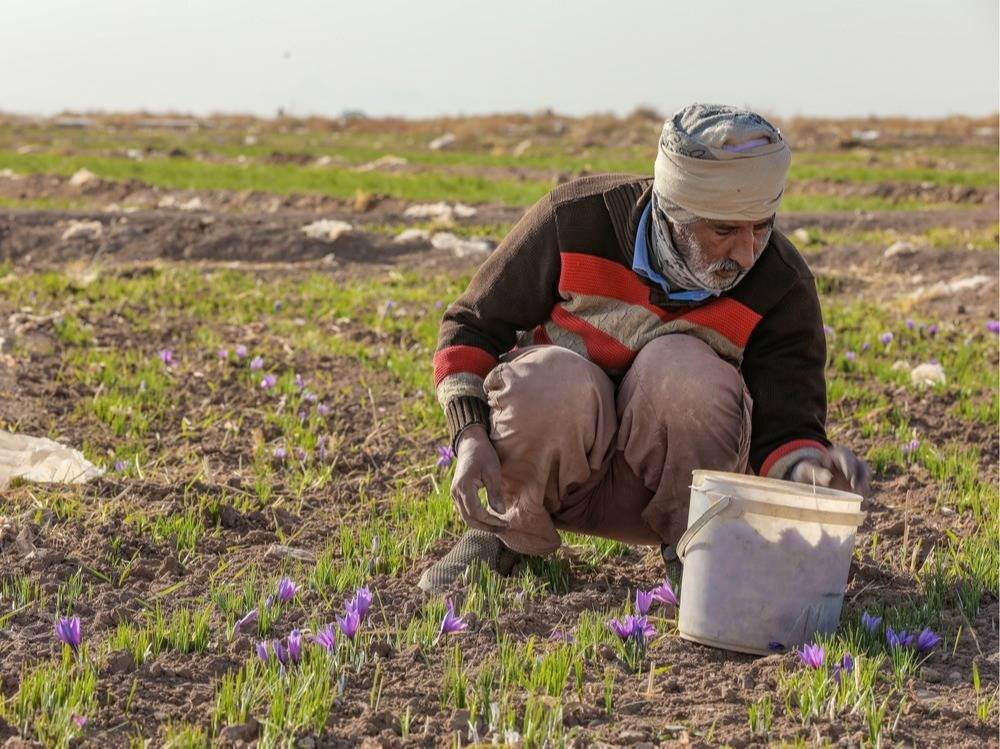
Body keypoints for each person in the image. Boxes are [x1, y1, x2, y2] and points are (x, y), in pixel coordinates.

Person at [418, 103, 871, 593]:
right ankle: (504, 537)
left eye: (761, 227)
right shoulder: (575, 220)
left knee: (680, 370)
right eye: (724, 231)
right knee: (549, 379)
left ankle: (693, 554)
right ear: (674, 212)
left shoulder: (779, 282)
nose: (746, 253)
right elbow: (470, 326)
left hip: (679, 489)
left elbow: (787, 420)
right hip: (554, 474)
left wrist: (808, 471)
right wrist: (468, 436)